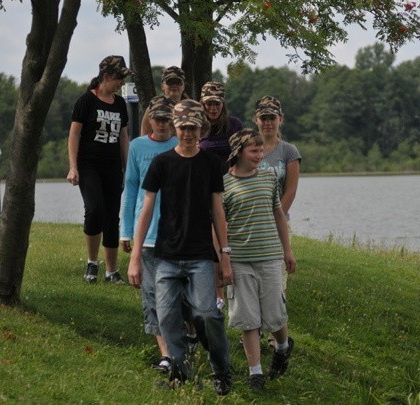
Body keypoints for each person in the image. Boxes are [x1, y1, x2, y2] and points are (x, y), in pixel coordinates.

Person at [127, 99, 234, 395]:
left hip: (200, 255)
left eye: (193, 127)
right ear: (175, 128)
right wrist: (136, 256)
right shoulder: (162, 163)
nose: (187, 132)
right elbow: (146, 209)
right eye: (183, 127)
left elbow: (217, 211)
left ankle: (221, 370)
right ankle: (181, 372)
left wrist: (224, 256)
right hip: (166, 256)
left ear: (201, 129)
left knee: (206, 313)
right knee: (167, 317)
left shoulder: (211, 163)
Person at [222, 128, 297, 391]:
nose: (260, 155)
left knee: (275, 314)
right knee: (248, 317)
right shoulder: (224, 185)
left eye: (261, 150)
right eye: (254, 151)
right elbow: (220, 226)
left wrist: (287, 251)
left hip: (269, 258)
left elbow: (279, 216)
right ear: (238, 152)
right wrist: (225, 260)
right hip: (241, 260)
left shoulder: (268, 179)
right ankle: (256, 372)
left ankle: (283, 347)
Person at [119, 95, 178, 374]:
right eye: (158, 118)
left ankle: (183, 345)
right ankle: (166, 354)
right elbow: (130, 189)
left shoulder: (183, 144)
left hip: (179, 235)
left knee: (182, 297)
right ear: (150, 120)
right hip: (149, 236)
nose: (163, 124)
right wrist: (125, 231)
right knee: (153, 298)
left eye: (168, 119)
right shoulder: (137, 146)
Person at [67, 55, 132, 284]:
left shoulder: (120, 104)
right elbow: (74, 134)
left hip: (113, 167)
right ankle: (92, 263)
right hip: (89, 166)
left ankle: (111, 272)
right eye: (118, 78)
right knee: (95, 210)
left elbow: (124, 136)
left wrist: (128, 167)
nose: (121, 83)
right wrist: (73, 167)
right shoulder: (86, 100)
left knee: (112, 217)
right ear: (106, 76)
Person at [253, 95, 301, 346]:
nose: (268, 123)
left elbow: (290, 190)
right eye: (264, 118)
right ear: (256, 120)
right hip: (250, 224)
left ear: (280, 119)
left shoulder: (288, 151)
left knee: (276, 280)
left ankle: (276, 334)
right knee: (252, 278)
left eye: (272, 118)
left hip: (278, 224)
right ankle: (255, 330)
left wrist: (276, 217)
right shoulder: (248, 147)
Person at [198, 81, 243, 304]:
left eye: (217, 103)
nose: (213, 108)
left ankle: (234, 287)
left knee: (229, 238)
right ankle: (218, 293)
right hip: (203, 189)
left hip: (229, 187)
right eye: (208, 103)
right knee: (211, 240)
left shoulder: (234, 125)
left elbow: (240, 155)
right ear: (202, 103)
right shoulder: (196, 126)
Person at [140, 66, 187, 136]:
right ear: (162, 86)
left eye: (178, 82)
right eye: (170, 82)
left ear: (184, 86)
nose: (174, 85)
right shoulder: (154, 107)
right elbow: (145, 131)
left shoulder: (190, 107)